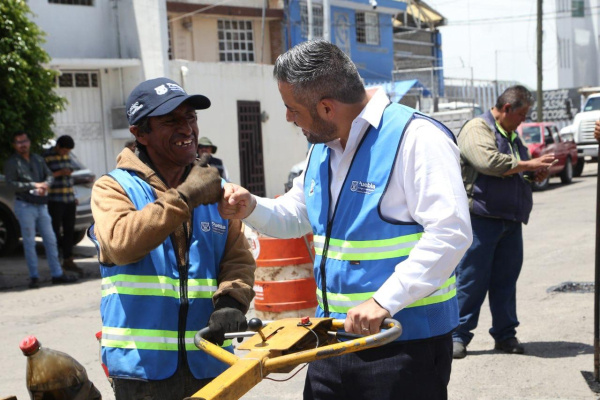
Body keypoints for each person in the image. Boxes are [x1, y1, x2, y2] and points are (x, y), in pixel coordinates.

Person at [219, 40, 473, 399]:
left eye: (292, 109)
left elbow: (450, 233)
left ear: (327, 108)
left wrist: (383, 302)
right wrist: (251, 207)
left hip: (403, 345)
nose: (289, 118)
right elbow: (298, 214)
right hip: (332, 340)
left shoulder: (417, 138)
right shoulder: (322, 148)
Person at [89, 77, 256, 400]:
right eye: (171, 121)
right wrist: (186, 196)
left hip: (210, 361)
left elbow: (238, 258)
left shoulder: (214, 188)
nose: (186, 129)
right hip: (143, 372)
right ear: (140, 133)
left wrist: (231, 301)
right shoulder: (113, 188)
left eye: (190, 117)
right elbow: (121, 244)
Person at [452, 86, 555, 359]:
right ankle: (458, 336)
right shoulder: (477, 128)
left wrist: (534, 174)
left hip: (510, 221)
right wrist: (530, 165)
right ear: (507, 108)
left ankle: (505, 335)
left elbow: (518, 169)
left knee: (506, 282)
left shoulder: (511, 135)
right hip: (481, 221)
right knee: (471, 280)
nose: (523, 120)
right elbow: (488, 162)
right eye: (522, 114)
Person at [4, 132, 78, 289]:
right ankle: (34, 277)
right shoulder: (12, 162)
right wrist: (33, 185)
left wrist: (45, 185)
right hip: (25, 205)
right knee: (29, 242)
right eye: (19, 142)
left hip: (42, 205)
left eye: (24, 141)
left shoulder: (38, 159)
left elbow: (49, 175)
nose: (22, 144)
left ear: (29, 142)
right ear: (14, 145)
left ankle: (57, 274)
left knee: (51, 240)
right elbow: (11, 184)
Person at [43, 135, 83, 276]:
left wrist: (73, 195)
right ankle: (56, 262)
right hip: (54, 199)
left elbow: (69, 177)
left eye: (68, 151)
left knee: (69, 231)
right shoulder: (46, 156)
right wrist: (60, 173)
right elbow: (43, 177)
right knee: (54, 232)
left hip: (68, 199)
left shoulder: (67, 156)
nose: (66, 153)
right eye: (64, 150)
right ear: (58, 146)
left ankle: (68, 260)